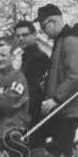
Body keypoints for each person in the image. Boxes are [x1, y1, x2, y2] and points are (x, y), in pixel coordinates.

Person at [37, 3, 78, 157]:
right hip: (63, 110)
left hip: (69, 109)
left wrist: (55, 98)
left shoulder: (71, 40)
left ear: (52, 22)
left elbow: (77, 75)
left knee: (63, 156)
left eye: (43, 27)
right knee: (58, 153)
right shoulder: (62, 40)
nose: (44, 33)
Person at [15, 19, 50, 148]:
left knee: (34, 154)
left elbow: (34, 91)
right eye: (17, 36)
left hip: (34, 116)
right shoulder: (26, 58)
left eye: (24, 35)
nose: (20, 39)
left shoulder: (39, 57)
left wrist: (26, 114)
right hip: (27, 116)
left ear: (34, 35)